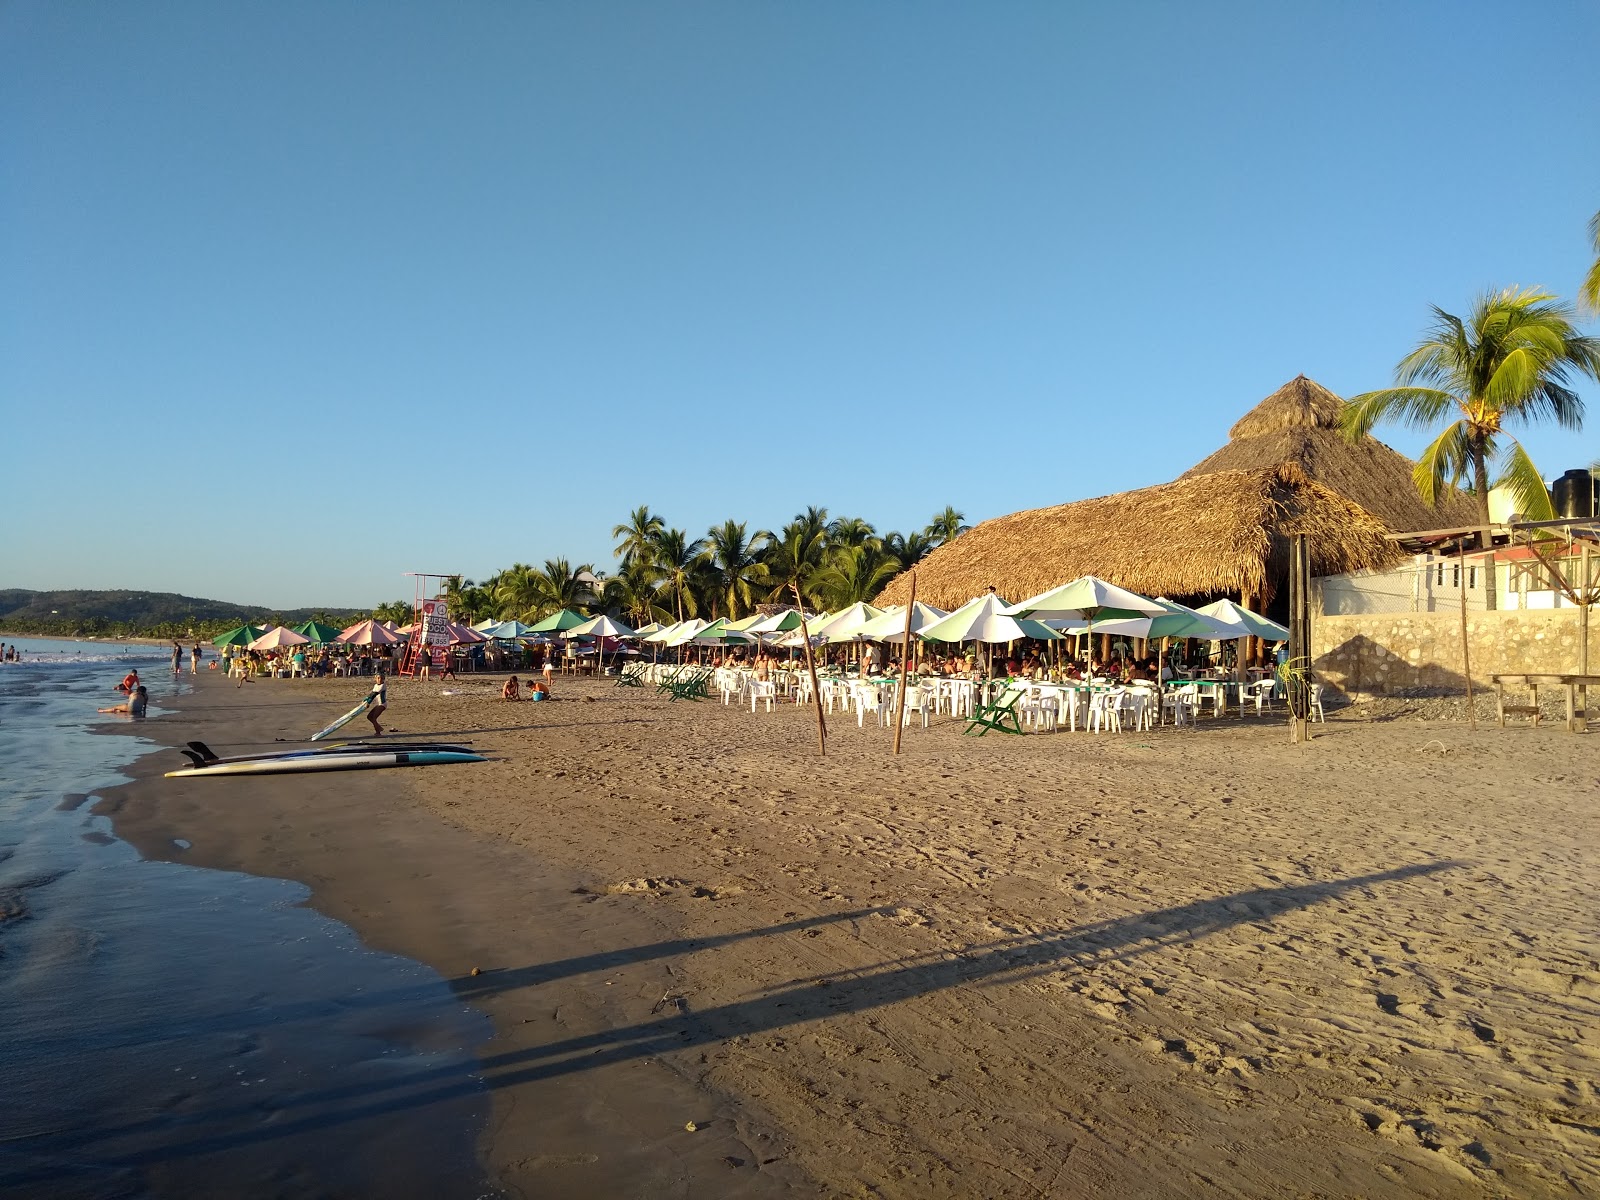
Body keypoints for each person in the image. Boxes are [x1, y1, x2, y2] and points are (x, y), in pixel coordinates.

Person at [366, 670, 388, 736]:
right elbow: (371, 694)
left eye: (381, 678)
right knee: (369, 717)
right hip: (378, 704)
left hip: (382, 704)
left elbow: (375, 694)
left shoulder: (383, 686)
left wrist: (368, 702)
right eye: (378, 678)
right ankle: (379, 727)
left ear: (383, 679)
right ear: (375, 678)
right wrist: (365, 700)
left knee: (374, 718)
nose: (379, 680)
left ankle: (378, 732)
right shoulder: (375, 685)